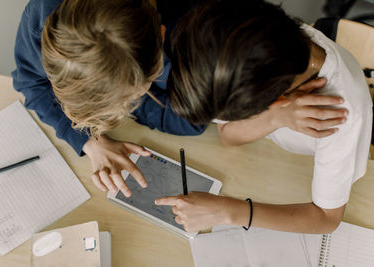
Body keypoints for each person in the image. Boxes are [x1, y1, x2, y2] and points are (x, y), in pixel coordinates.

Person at [13, 0, 347, 197]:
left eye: (136, 94)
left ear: (161, 38)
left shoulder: (202, 28)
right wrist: (90, 142)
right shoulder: (50, 20)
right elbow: (30, 83)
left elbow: (191, 119)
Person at [156, 0, 372, 234]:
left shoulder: (341, 117)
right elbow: (227, 135)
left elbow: (326, 219)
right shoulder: (268, 39)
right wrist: (276, 118)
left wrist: (228, 212)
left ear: (275, 101)